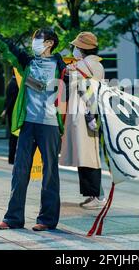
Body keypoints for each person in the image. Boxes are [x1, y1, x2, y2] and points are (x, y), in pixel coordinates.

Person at [0, 9, 67, 231]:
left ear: (50, 43)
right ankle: (13, 218)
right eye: (33, 39)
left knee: (50, 173)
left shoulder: (62, 67)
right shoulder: (27, 61)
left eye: (39, 39)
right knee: (20, 170)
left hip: (50, 125)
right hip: (28, 124)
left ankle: (47, 220)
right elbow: (5, 45)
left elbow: (76, 92)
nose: (34, 42)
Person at [59, 32, 106, 209]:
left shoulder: (82, 66)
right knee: (87, 155)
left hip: (84, 115)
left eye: (76, 47)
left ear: (82, 49)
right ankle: (93, 194)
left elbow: (79, 86)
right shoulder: (96, 65)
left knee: (89, 156)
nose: (74, 50)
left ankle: (98, 196)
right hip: (90, 114)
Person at [1, 73, 19, 165]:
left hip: (11, 113)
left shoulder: (11, 82)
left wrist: (5, 110)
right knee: (14, 136)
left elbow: (7, 99)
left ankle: (11, 158)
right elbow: (11, 100)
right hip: (14, 113)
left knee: (14, 136)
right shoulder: (15, 83)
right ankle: (12, 158)